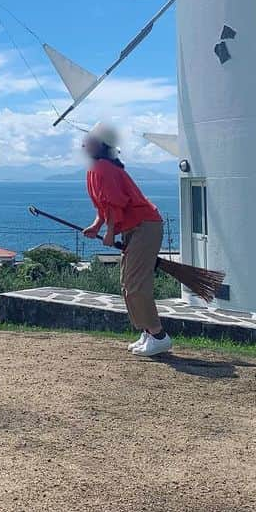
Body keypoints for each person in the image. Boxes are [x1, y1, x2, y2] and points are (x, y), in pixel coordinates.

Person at [81, 122, 172, 357]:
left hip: (144, 227)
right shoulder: (97, 168)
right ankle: (148, 333)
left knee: (135, 284)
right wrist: (97, 226)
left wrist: (110, 231)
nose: (83, 141)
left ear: (100, 145)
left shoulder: (102, 168)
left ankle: (159, 335)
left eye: (89, 137)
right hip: (137, 227)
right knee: (128, 283)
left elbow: (114, 203)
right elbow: (105, 206)